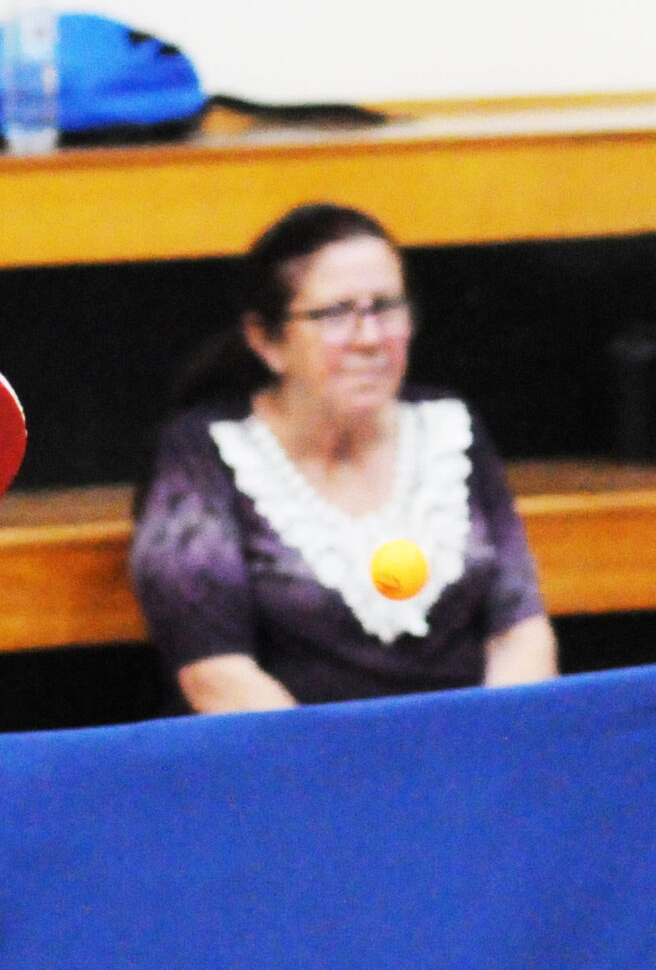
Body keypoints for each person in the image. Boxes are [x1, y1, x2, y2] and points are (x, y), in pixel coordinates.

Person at [130, 203, 558, 711]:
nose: (371, 338)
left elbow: (520, 631)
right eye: (336, 314)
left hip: (466, 746)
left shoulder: (449, 426)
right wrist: (339, 762)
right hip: (293, 751)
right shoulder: (203, 452)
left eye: (386, 307)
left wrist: (494, 741)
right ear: (266, 340)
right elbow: (215, 672)